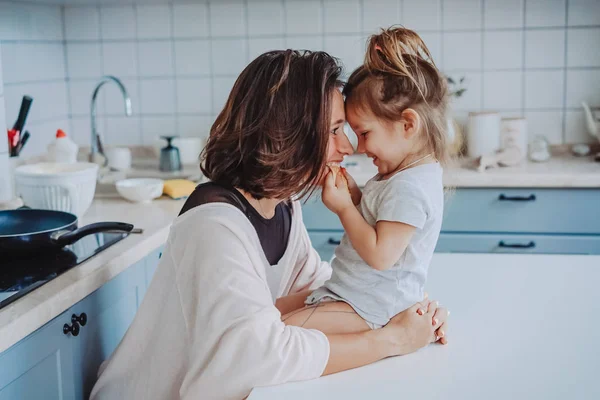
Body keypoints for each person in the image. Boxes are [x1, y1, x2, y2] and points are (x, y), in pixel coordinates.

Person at [90, 50, 448, 400]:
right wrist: (392, 339)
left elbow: (315, 287)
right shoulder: (215, 226)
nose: (348, 148)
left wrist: (400, 309)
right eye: (335, 130)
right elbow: (257, 356)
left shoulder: (283, 206)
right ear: (290, 134)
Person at [285, 27, 451, 336]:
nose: (358, 147)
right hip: (355, 296)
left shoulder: (410, 187)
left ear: (408, 124)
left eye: (364, 133)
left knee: (281, 329)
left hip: (372, 308)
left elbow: (381, 255)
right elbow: (380, 221)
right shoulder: (402, 174)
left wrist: (345, 209)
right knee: (272, 312)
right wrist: (357, 196)